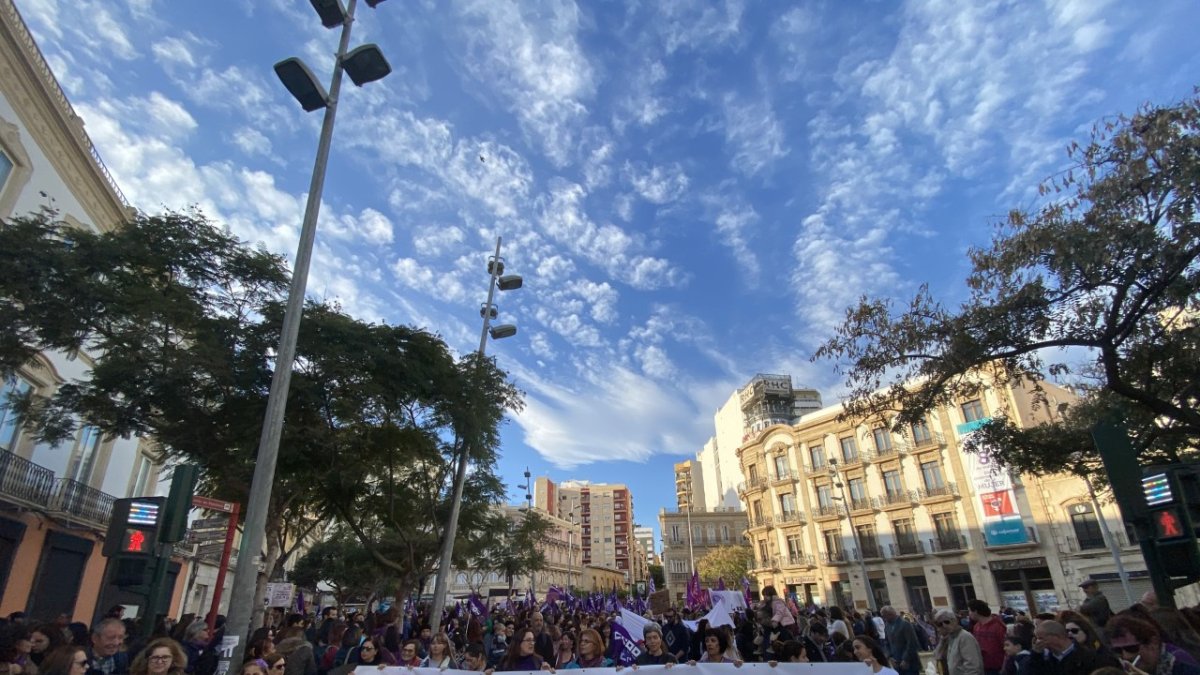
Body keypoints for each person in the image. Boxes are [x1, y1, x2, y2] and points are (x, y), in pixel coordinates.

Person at [1107, 616, 1200, 675]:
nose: (1126, 656)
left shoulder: (1182, 665)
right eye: (1118, 650)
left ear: (1153, 642)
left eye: (1131, 648)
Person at [1028, 620, 1118, 675]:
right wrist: (1035, 656)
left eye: (1040, 638)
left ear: (1055, 637)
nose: (1037, 642)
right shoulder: (1043, 659)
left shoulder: (1090, 657)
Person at [932, 609, 982, 675]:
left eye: (947, 622)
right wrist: (943, 639)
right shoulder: (949, 638)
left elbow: (972, 666)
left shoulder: (965, 637)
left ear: (954, 621)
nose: (944, 626)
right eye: (939, 624)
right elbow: (937, 656)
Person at [968, 600, 1006, 675]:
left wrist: (1005, 668)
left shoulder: (998, 626)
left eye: (969, 611)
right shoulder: (976, 627)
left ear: (975, 611)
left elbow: (1006, 648)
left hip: (997, 667)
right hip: (982, 666)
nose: (969, 614)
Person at [883, 606, 921, 675]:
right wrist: (890, 656)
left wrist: (905, 659)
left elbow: (912, 643)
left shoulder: (905, 624)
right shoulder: (887, 626)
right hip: (896, 663)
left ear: (891, 614)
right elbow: (886, 642)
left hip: (909, 664)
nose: (884, 618)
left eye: (885, 616)